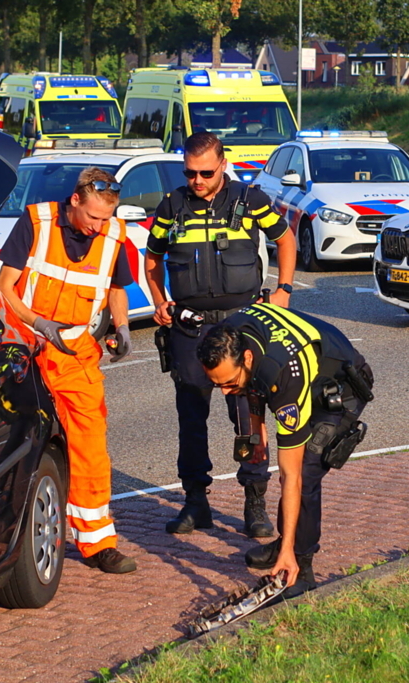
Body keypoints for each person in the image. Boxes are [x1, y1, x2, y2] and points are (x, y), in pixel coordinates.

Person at [144, 131, 298, 538]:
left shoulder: (251, 201)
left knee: (248, 416)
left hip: (241, 324)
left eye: (205, 173)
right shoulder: (172, 206)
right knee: (191, 418)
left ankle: (255, 504)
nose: (197, 180)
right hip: (189, 327)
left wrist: (283, 290)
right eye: (190, 173)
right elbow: (153, 257)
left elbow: (285, 238)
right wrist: (160, 300)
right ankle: (196, 502)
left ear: (222, 165)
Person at [0, 167, 138, 574]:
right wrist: (39, 325)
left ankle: (97, 543)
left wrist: (123, 325)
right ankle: (10, 537)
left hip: (74, 350)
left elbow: (114, 287)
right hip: (24, 341)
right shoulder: (37, 222)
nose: (98, 227)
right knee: (14, 440)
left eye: (105, 219)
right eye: (93, 217)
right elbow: (5, 286)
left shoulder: (113, 234)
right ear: (75, 200)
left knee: (90, 443)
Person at [197, 303, 374, 597]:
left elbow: (291, 478)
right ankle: (285, 544)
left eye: (228, 383)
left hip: (343, 387)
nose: (226, 392)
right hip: (305, 376)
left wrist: (290, 551)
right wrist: (256, 430)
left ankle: (300, 567)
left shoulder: (284, 376)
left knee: (306, 469)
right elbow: (252, 384)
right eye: (217, 385)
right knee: (299, 471)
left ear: (247, 357)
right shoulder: (229, 335)